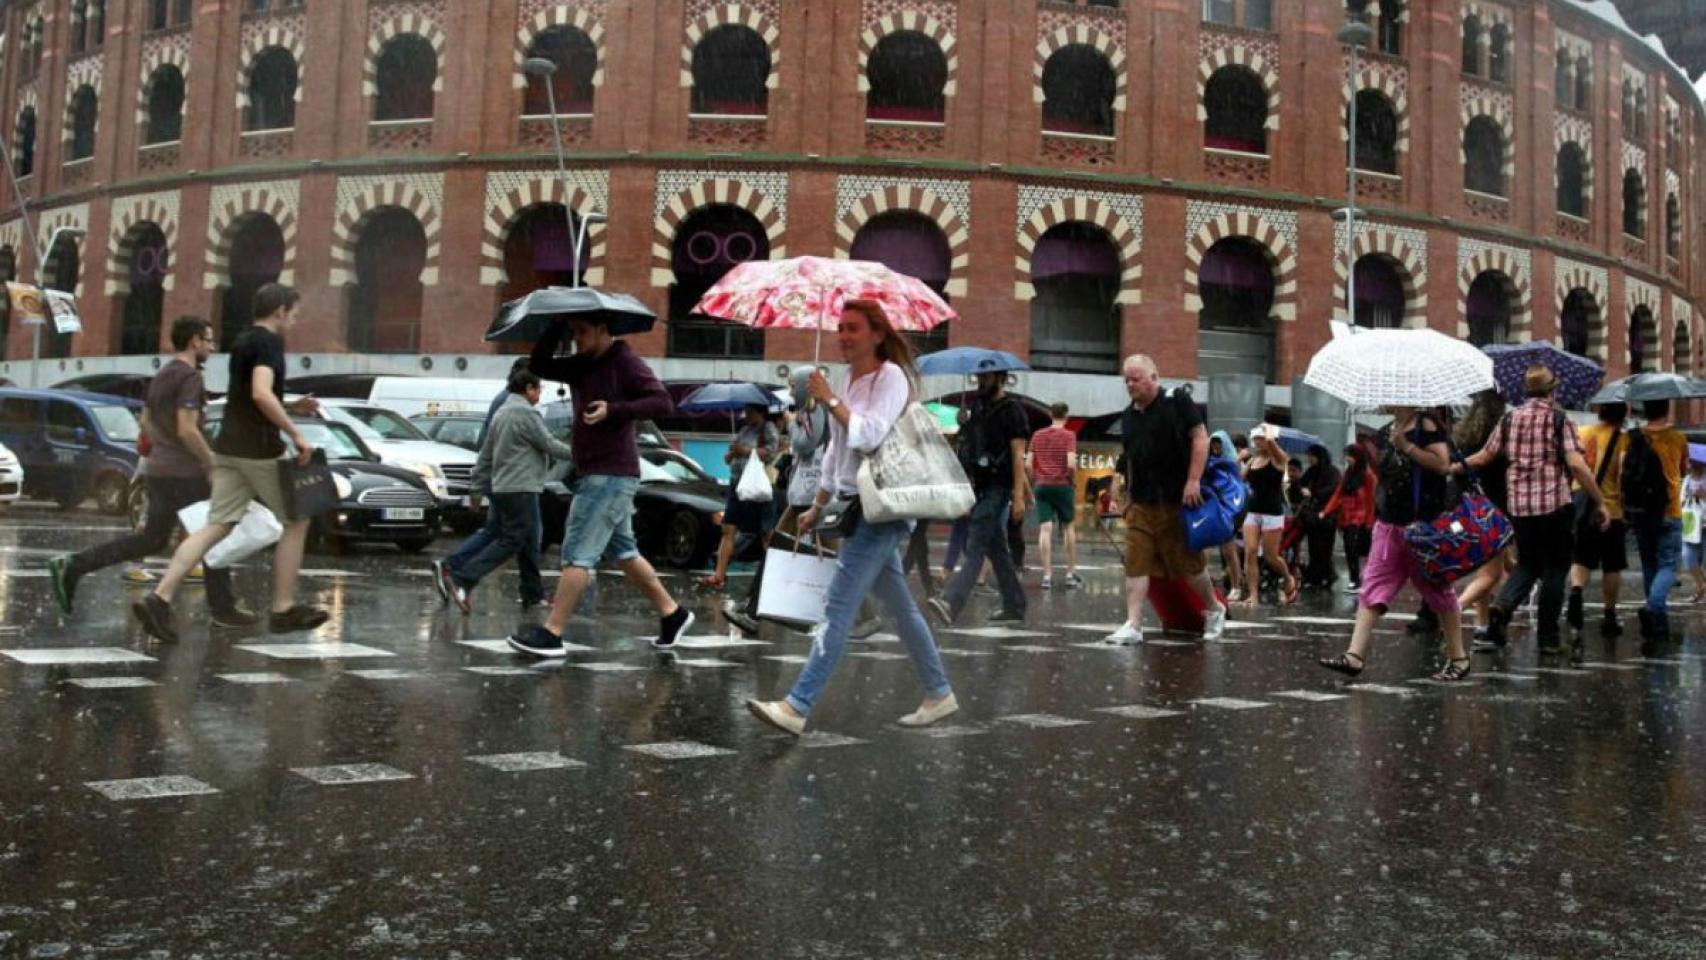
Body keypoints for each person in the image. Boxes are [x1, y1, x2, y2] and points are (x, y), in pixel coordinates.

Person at [746, 301, 955, 735]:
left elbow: (870, 435)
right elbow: (837, 453)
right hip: (850, 504)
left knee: (838, 606)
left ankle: (797, 705)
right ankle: (939, 692)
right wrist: (817, 506)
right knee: (900, 608)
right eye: (839, 328)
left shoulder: (890, 377)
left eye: (852, 328)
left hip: (879, 510)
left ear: (877, 335)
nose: (842, 335)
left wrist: (832, 400)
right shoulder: (847, 379)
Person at [132, 285, 326, 643]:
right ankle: (283, 608)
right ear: (280, 310)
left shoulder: (243, 341)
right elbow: (259, 393)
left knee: (217, 524)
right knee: (297, 518)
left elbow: (246, 395)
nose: (295, 320)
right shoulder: (269, 342)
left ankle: (159, 598)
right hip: (259, 449)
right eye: (294, 313)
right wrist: (296, 433)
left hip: (228, 448)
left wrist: (292, 405)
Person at [49, 317, 256, 627]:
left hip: (161, 469)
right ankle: (222, 607)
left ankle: (75, 565)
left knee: (153, 539)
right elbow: (188, 429)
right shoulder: (189, 378)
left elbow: (145, 422)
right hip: (186, 473)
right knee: (216, 529)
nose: (212, 347)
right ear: (195, 341)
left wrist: (163, 448)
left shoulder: (161, 374)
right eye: (209, 341)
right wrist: (210, 460)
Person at [507, 315, 694, 656]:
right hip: (599, 471)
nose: (577, 338)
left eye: (582, 331)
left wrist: (614, 410)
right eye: (574, 332)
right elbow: (539, 365)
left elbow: (662, 402)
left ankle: (553, 632)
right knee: (624, 552)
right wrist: (556, 328)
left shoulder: (624, 361)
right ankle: (673, 613)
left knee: (577, 553)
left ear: (604, 330)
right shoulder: (581, 364)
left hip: (609, 474)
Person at [1461, 367, 1608, 655]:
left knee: (1528, 563)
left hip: (1520, 508)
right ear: (1552, 391)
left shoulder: (1509, 419)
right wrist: (1599, 501)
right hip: (1554, 507)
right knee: (1555, 569)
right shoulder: (1559, 420)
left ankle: (1502, 609)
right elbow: (1577, 465)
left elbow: (1484, 456)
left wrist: (1454, 465)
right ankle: (1549, 639)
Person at [1319, 406, 1470, 681]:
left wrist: (1407, 446)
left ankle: (1458, 658)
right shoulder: (1393, 425)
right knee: (1374, 584)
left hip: (1422, 526)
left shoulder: (1425, 424)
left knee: (1438, 590)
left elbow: (1442, 464)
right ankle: (1354, 655)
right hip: (1390, 524)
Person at [1104, 355, 1228, 644]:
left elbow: (1200, 438)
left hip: (1178, 501)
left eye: (1135, 379)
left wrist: (1193, 480)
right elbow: (1130, 456)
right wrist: (1124, 494)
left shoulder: (1178, 402)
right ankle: (1133, 624)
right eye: (1126, 380)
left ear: (1154, 377)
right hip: (1142, 504)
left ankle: (1213, 608)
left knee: (1189, 564)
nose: (1130, 385)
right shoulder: (1128, 415)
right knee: (1135, 563)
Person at [436, 369, 576, 613]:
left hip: (502, 486)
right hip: (521, 486)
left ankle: (532, 593)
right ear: (529, 389)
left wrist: (477, 489)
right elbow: (549, 444)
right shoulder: (525, 413)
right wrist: (581, 454)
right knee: (513, 539)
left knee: (529, 539)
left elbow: (485, 454)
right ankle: (463, 577)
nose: (540, 395)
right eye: (538, 389)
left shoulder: (501, 413)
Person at [725, 367, 831, 634]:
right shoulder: (810, 411)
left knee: (782, 550)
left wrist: (794, 423)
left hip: (812, 494)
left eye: (794, 385)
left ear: (807, 386)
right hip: (806, 494)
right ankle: (752, 608)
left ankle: (753, 610)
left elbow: (806, 444)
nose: (791, 391)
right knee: (781, 549)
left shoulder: (814, 410)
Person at [930, 370, 1033, 626]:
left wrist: (1020, 495)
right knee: (996, 549)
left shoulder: (1013, 410)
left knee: (975, 543)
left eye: (985, 378)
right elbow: (970, 448)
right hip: (978, 486)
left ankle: (951, 602)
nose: (980, 383)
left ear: (1001, 378)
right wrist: (964, 424)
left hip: (999, 486)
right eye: (978, 378)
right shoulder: (978, 409)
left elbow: (1018, 455)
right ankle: (1014, 604)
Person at [1624, 398, 1688, 650]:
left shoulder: (1632, 436)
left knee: (1650, 563)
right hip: (1669, 509)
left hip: (1641, 512)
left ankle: (1658, 625)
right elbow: (1682, 469)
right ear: (1666, 409)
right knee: (1669, 565)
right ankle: (1653, 608)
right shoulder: (1677, 438)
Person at [1451, 389, 1514, 640]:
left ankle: (1481, 624)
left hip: (1470, 510)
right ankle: (1452, 611)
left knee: (1489, 570)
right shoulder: (1500, 439)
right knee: (1490, 575)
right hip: (1496, 511)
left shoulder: (1464, 437)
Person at [1567, 402, 1630, 637]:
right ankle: (1609, 616)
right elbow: (1623, 474)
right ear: (1623, 415)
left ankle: (1575, 591)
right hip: (1611, 508)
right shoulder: (1623, 440)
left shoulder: (1581, 432)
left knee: (1581, 557)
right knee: (1612, 564)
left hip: (1581, 506)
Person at [701, 403, 779, 589]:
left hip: (758, 487)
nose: (747, 415)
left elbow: (770, 452)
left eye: (751, 412)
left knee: (766, 531)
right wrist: (731, 455)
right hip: (738, 484)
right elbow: (730, 455)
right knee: (728, 528)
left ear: (760, 412)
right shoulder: (743, 430)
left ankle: (771, 575)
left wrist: (745, 452)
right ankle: (719, 574)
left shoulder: (767, 429)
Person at [1240, 425, 1298, 605]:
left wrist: (1269, 429)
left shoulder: (1279, 459)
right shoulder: (1252, 461)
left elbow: (1272, 442)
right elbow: (1239, 479)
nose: (1257, 441)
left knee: (1270, 557)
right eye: (1255, 438)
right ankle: (1253, 596)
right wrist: (1239, 459)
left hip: (1272, 512)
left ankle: (1288, 578)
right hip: (1253, 510)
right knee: (1249, 551)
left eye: (1261, 438)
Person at [1029, 401, 1082, 590]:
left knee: (1045, 529)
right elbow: (1070, 464)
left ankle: (1047, 576)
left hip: (1042, 485)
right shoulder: (1069, 435)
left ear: (1050, 414)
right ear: (1066, 415)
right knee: (1068, 527)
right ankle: (1070, 573)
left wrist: (1035, 479)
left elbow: (1028, 464)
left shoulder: (1037, 435)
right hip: (1063, 485)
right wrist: (1072, 480)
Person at [1320, 443, 1375, 592]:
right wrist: (1326, 511)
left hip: (1360, 517)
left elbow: (1371, 500)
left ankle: (1359, 579)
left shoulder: (1368, 476)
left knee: (1354, 548)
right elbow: (1338, 493)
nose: (1347, 459)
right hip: (1346, 515)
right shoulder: (1348, 473)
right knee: (1349, 548)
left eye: (1349, 456)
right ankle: (1355, 579)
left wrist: (1370, 521)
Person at [1296, 444, 1340, 589]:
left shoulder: (1332, 472)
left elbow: (1333, 489)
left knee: (1325, 547)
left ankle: (1327, 575)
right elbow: (1301, 483)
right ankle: (1316, 576)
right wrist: (1302, 488)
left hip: (1327, 513)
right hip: (1313, 514)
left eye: (1312, 456)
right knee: (1313, 547)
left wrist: (1314, 492)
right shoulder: (1312, 471)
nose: (1309, 459)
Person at [1207, 430, 1245, 599]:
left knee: (1228, 549)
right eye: (1213, 444)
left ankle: (1236, 585)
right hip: (1209, 507)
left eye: (1218, 444)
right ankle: (1207, 583)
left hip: (1226, 509)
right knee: (1204, 547)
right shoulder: (1207, 461)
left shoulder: (1231, 463)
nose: (1215, 447)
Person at [1681, 455, 1706, 602]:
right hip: (1691, 523)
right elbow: (1681, 501)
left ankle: (1699, 590)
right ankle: (1701, 586)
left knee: (1701, 559)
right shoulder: (1687, 480)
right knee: (1689, 557)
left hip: (1704, 524)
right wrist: (1688, 497)